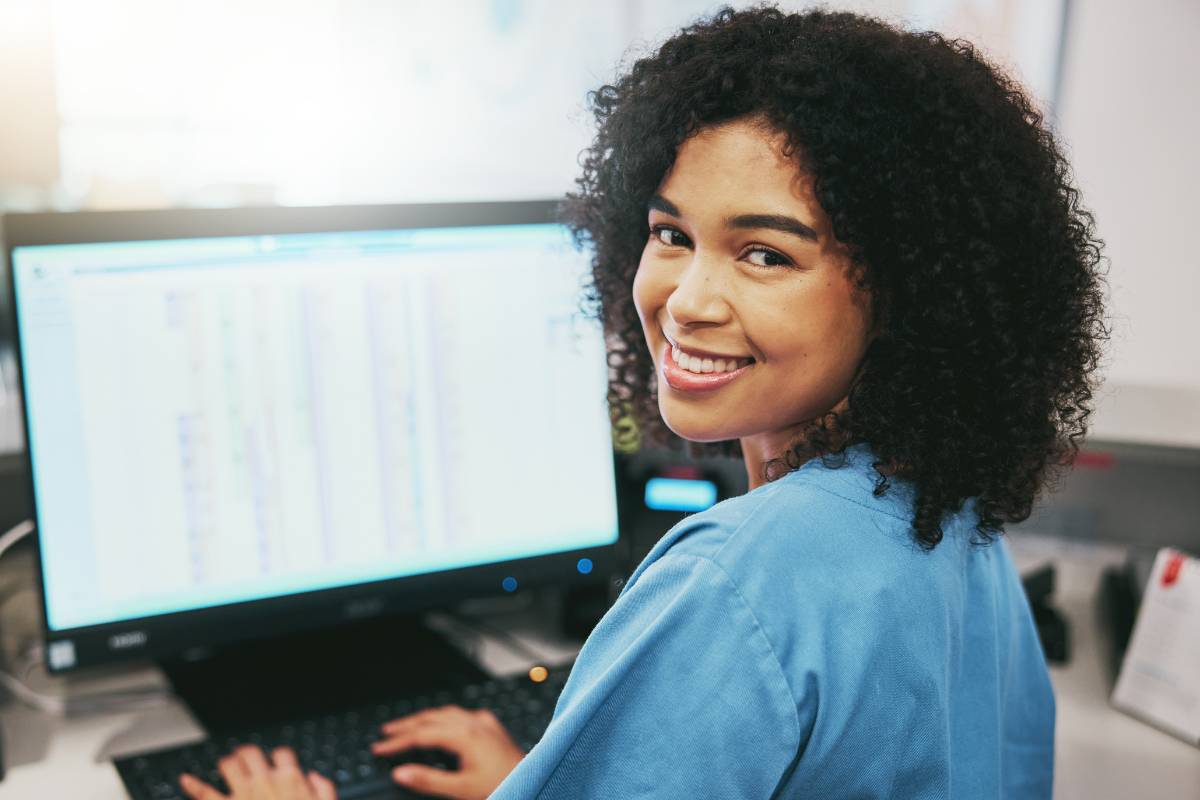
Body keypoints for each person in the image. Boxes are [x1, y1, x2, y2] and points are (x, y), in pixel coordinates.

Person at [180, 5, 1105, 799]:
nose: (687, 300)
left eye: (766, 253)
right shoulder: (958, 525)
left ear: (909, 292)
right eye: (671, 232)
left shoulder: (737, 579)